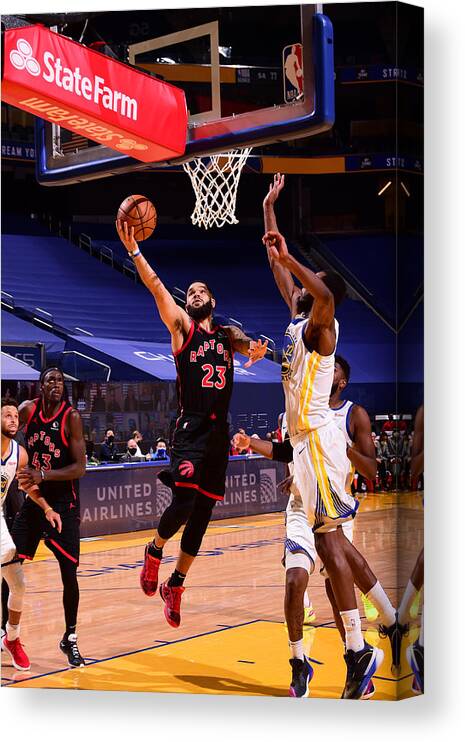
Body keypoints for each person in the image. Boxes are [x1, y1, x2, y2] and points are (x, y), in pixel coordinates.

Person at [263, 175, 401, 699]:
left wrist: (293, 256)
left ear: (327, 298)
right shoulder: (298, 319)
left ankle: (359, 647)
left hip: (319, 439)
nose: (301, 284)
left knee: (330, 542)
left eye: (312, 281)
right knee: (330, 542)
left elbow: (311, 284)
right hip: (302, 446)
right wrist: (270, 212)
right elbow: (280, 266)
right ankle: (358, 650)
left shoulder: (325, 325)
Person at [116, 219, 268, 628]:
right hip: (190, 428)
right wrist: (134, 250)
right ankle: (153, 550)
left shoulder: (225, 335)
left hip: (219, 434)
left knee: (202, 516)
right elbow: (157, 286)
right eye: (191, 292)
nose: (194, 294)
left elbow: (241, 340)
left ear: (213, 300)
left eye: (201, 291)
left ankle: (176, 584)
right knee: (183, 503)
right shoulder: (181, 326)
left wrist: (254, 350)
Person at [232, 354, 379, 698]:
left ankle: (356, 663)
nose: (325, 371)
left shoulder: (352, 414)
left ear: (341, 381)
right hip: (300, 506)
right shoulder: (296, 411)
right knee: (295, 579)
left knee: (335, 591)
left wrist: (342, 449)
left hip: (335, 511)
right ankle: (299, 662)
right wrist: (251, 442)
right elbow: (288, 452)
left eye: (335, 369)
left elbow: (371, 470)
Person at [13, 367, 87, 667]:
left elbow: (80, 467)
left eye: (60, 381)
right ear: (40, 386)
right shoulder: (27, 410)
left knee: (69, 576)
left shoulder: (71, 418)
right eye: (50, 381)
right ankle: (7, 633)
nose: (56, 385)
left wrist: (44, 474)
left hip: (64, 505)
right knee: (9, 566)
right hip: (34, 500)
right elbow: (7, 429)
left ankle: (70, 638)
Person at [1, 398, 62, 671]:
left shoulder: (20, 454)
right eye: (7, 415)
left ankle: (12, 638)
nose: (13, 419)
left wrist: (47, 508)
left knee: (19, 584)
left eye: (16, 415)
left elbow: (26, 485)